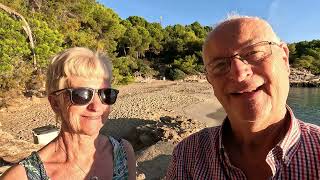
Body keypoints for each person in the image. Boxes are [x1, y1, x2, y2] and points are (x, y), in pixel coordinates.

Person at [166, 15, 320, 179]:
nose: (239, 74)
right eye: (219, 65)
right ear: (210, 80)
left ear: (284, 59)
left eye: (253, 53)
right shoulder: (187, 156)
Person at [2, 47, 136, 180]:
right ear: (55, 103)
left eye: (106, 94)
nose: (96, 107)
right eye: (82, 95)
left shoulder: (123, 153)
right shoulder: (20, 177)